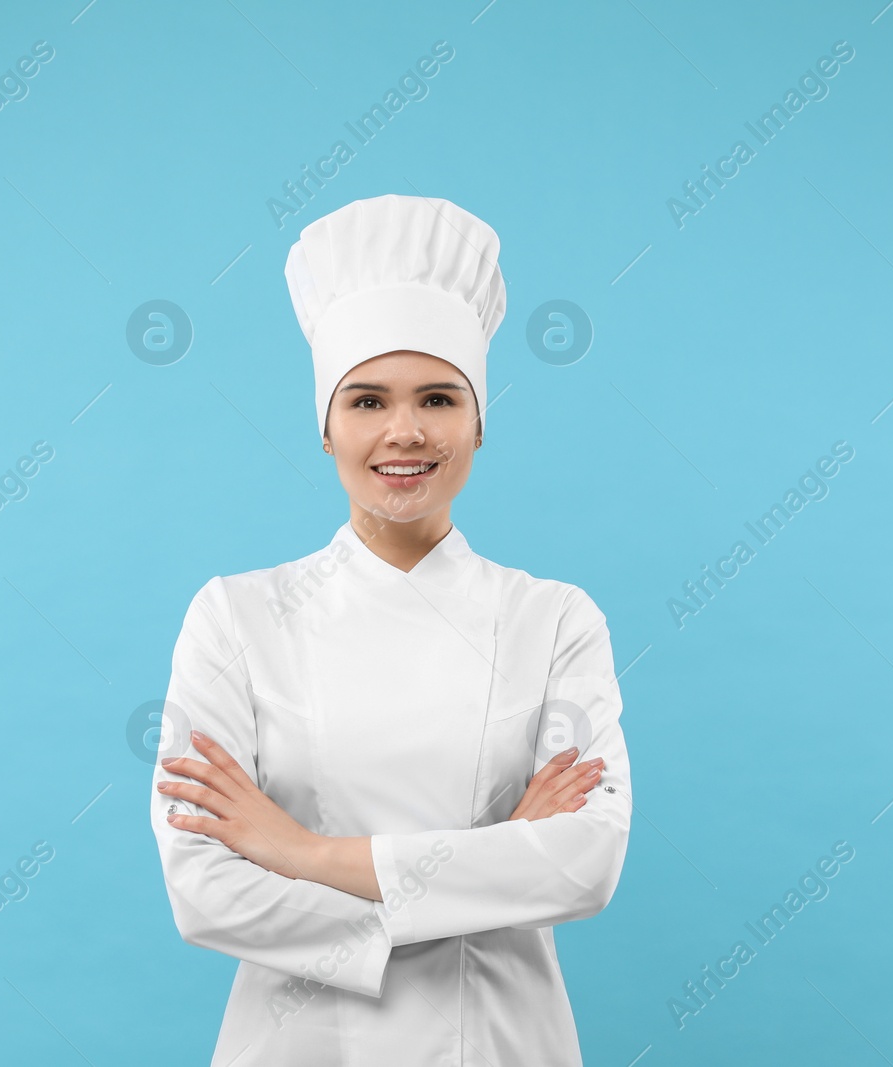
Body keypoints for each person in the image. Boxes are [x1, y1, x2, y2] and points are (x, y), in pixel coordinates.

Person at [150, 193, 632, 1065]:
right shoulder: (236, 616)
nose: (404, 431)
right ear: (325, 426)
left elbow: (583, 861)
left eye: (439, 398)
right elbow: (204, 888)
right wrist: (489, 864)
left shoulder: (554, 619)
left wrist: (301, 850)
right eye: (367, 400)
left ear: (479, 421)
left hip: (497, 1042)